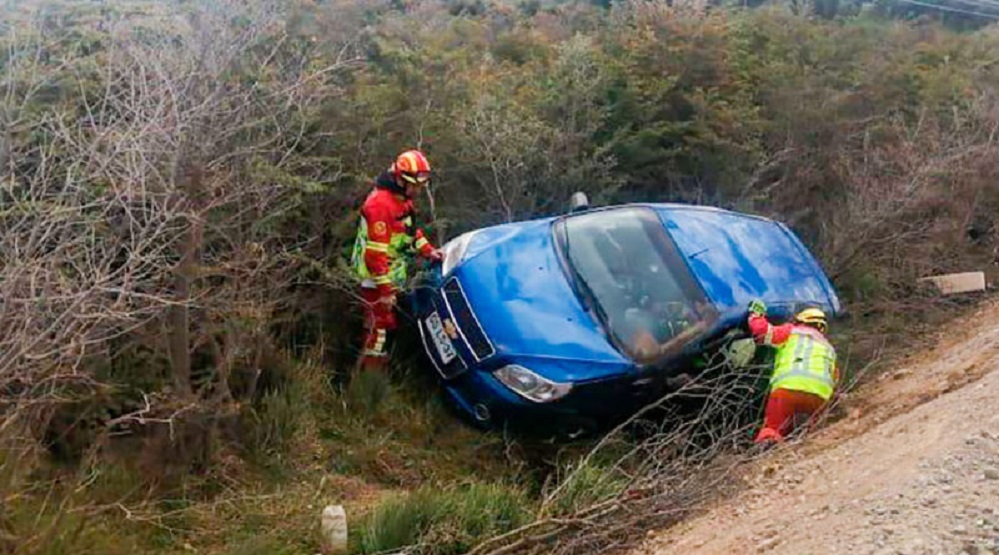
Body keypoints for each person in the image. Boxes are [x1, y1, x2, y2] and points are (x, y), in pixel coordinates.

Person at [351, 149, 442, 374]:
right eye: (414, 185)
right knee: (380, 328)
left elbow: (409, 230)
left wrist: (428, 251)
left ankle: (375, 363)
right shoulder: (380, 205)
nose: (418, 190)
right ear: (400, 179)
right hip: (375, 278)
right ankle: (368, 380)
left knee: (384, 323)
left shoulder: (402, 199)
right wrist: (385, 291)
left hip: (391, 272)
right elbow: (374, 257)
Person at [747, 299, 839, 445]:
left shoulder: (792, 332)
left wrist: (756, 315)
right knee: (810, 436)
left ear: (800, 320)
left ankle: (767, 449)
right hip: (819, 396)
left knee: (773, 429)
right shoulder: (828, 348)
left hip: (787, 389)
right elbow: (834, 379)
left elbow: (763, 333)